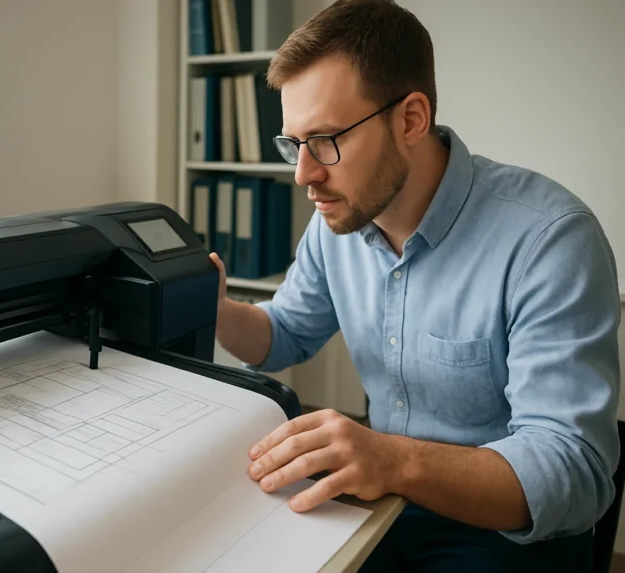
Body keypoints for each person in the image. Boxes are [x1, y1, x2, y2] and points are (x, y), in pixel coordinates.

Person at [210, 0, 621, 571]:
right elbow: (283, 335)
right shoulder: (339, 220)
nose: (303, 174)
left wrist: (390, 459)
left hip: (506, 538)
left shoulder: (549, 240)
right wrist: (216, 307)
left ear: (410, 118)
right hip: (384, 506)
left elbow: (573, 472)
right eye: (293, 144)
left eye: (326, 139)